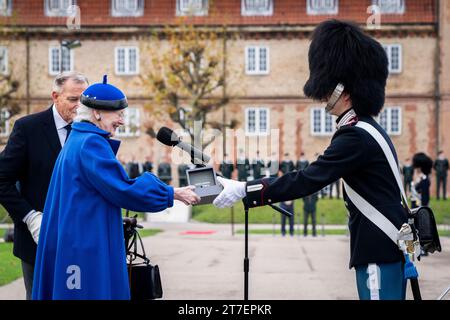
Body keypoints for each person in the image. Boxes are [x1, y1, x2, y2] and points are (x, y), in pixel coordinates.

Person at [213, 20, 409, 300]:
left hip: (378, 247)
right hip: (384, 244)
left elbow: (307, 179)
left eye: (330, 87)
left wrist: (246, 189)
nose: (325, 94)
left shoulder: (355, 136)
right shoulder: (366, 129)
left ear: (345, 88)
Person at [32, 76, 200, 300]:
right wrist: (172, 193)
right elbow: (123, 189)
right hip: (83, 247)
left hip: (75, 241)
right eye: (119, 114)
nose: (122, 121)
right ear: (97, 113)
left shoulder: (78, 139)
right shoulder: (90, 143)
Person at [0, 72, 89, 300]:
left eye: (84, 100)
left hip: (82, 239)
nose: (79, 106)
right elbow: (2, 180)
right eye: (72, 99)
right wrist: (31, 218)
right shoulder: (27, 129)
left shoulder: (91, 132)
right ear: (55, 96)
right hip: (36, 239)